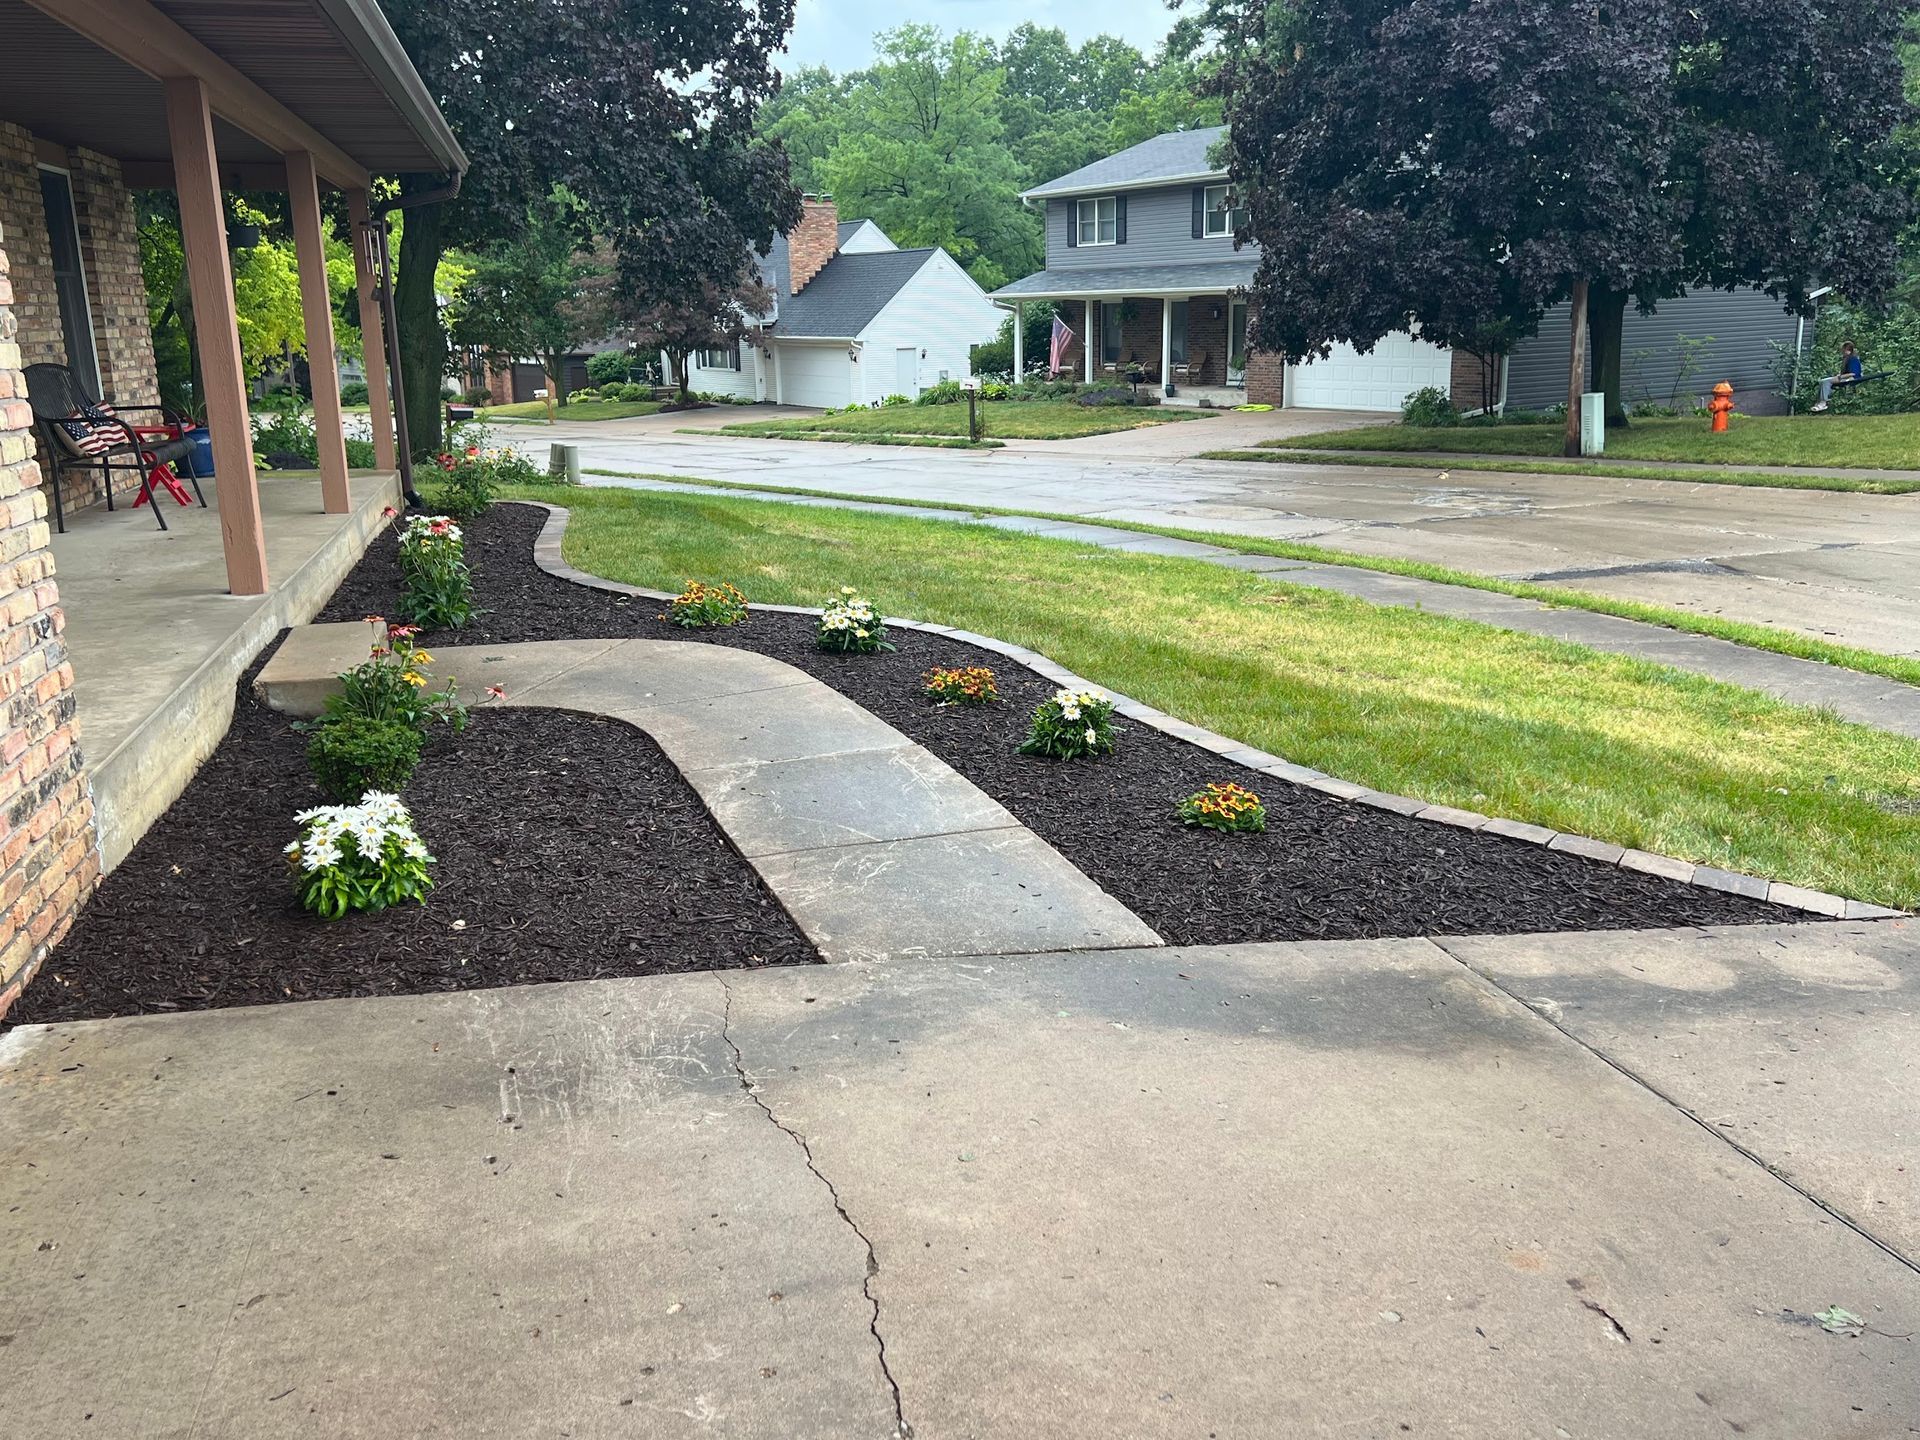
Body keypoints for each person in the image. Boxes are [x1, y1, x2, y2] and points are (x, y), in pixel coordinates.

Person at [1811, 340, 1864, 411]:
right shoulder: (1846, 358)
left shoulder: (1852, 359)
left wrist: (1840, 377)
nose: (1841, 351)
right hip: (1845, 377)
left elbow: (1853, 373)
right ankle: (1819, 402)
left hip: (1851, 378)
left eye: (1843, 350)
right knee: (1822, 381)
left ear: (1847, 350)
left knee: (1826, 382)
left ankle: (1823, 403)